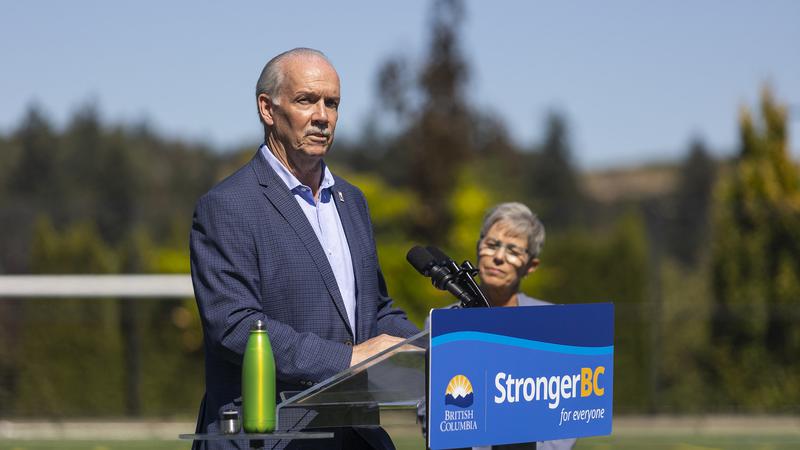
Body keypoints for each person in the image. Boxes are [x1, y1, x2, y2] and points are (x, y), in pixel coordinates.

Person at [189, 48, 419, 450]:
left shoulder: (352, 200)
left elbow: (375, 311)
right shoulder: (228, 205)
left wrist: (434, 351)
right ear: (267, 108)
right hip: (270, 436)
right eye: (306, 100)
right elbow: (235, 327)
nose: (322, 116)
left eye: (332, 103)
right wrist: (347, 360)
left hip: (356, 435)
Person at [421, 202, 576, 450]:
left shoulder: (552, 323)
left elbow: (565, 415)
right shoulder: (443, 323)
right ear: (478, 248)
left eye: (513, 250)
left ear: (531, 266)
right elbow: (430, 410)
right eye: (492, 245)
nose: (499, 257)